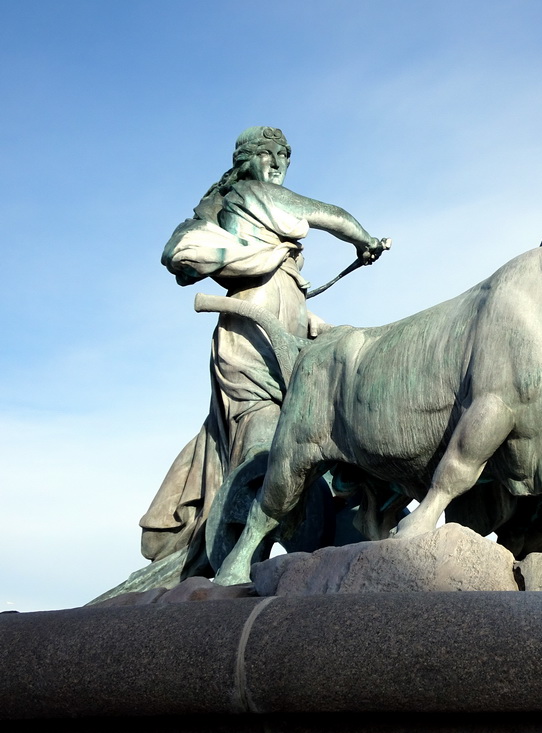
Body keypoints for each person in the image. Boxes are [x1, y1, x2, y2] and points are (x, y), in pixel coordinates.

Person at [139, 126, 385, 566]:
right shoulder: (251, 195)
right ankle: (236, 545)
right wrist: (364, 240)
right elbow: (331, 214)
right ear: (246, 161)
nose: (278, 165)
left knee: (297, 428)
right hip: (250, 340)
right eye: (269, 155)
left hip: (282, 338)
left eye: (284, 158)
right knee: (264, 437)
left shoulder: (248, 216)